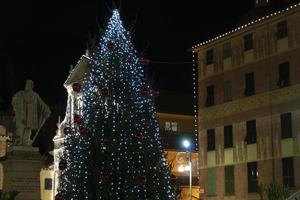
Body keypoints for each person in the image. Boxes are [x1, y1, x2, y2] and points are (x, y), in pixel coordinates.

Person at [11, 79, 51, 146]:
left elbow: (42, 104)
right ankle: (18, 142)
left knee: (28, 130)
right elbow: (14, 101)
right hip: (21, 116)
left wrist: (47, 110)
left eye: (29, 84)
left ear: (32, 86)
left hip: (31, 116)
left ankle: (25, 143)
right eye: (27, 84)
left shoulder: (35, 95)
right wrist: (16, 110)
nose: (27, 85)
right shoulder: (20, 94)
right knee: (20, 129)